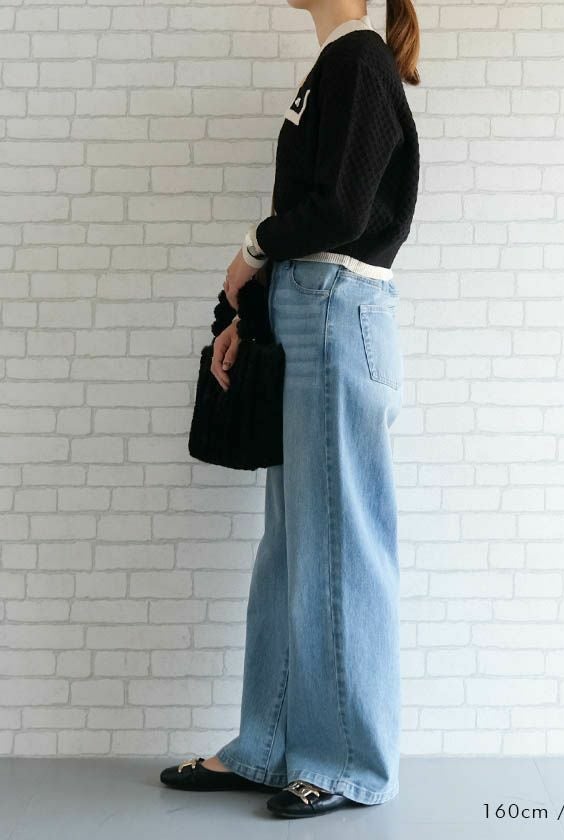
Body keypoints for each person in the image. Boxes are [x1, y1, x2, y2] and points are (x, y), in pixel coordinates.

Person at [160, 0, 420, 820]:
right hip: (311, 310)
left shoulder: (360, 62)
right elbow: (323, 212)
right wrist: (248, 312)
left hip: (339, 312)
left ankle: (349, 765)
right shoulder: (337, 64)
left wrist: (252, 248)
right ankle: (267, 746)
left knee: (338, 545)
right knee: (293, 547)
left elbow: (343, 211)